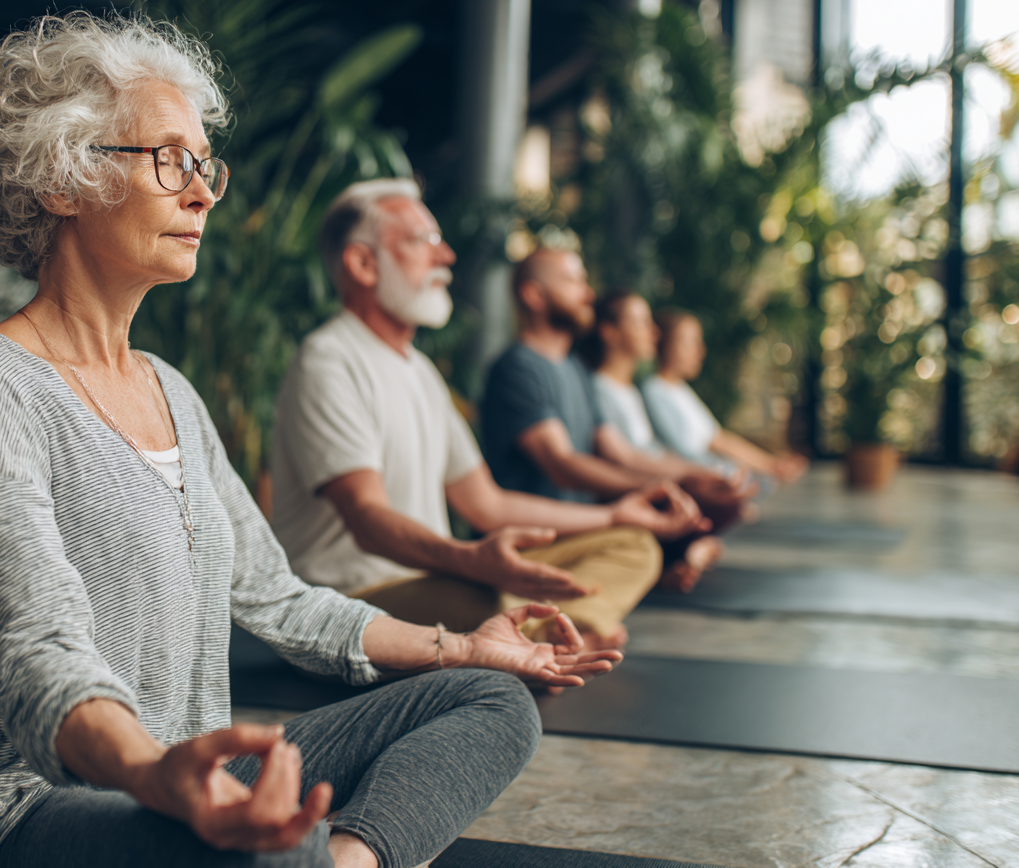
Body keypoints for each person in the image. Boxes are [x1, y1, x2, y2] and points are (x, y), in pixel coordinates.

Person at [0, 13, 622, 868]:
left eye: (205, 167)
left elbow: (278, 599)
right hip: (15, 818)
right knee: (263, 857)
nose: (201, 193)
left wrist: (464, 647)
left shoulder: (172, 391)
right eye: (168, 159)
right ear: (62, 178)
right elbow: (31, 647)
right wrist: (150, 775)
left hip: (197, 776)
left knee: (492, 702)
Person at [271, 180, 689, 653]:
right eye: (422, 241)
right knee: (486, 594)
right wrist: (471, 560)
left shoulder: (421, 371)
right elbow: (367, 518)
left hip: (436, 581)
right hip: (354, 600)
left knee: (631, 545)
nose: (445, 255)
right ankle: (557, 632)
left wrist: (612, 513)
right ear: (363, 264)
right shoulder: (328, 359)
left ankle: (551, 634)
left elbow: (485, 503)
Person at [481, 249, 750, 593]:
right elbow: (561, 464)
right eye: (572, 280)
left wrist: (688, 476)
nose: (588, 293)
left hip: (582, 531)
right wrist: (667, 486)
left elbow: (621, 453)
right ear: (533, 295)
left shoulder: (575, 369)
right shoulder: (517, 368)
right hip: (538, 540)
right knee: (641, 549)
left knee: (680, 524)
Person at [584, 288, 760, 588]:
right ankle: (679, 557)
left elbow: (653, 450)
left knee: (726, 496)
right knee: (717, 501)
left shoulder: (631, 390)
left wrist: (699, 473)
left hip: (652, 477)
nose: (653, 332)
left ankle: (683, 554)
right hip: (631, 486)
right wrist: (689, 476)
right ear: (609, 332)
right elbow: (624, 457)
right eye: (639, 322)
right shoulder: (598, 389)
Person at [643, 309, 808, 484]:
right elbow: (712, 443)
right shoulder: (655, 391)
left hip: (708, 469)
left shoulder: (679, 390)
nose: (699, 351)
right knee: (758, 483)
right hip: (696, 475)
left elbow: (717, 437)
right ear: (664, 342)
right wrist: (770, 466)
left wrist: (772, 464)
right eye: (689, 342)